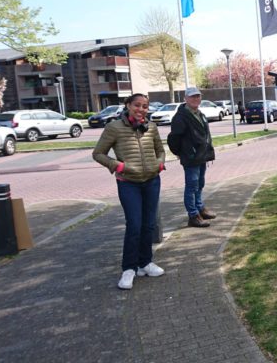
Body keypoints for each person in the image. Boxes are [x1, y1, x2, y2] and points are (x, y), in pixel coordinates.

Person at [92, 93, 166, 290]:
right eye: (137, 105)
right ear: (128, 105)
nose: (141, 109)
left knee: (149, 225)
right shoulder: (114, 127)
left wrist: (159, 164)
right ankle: (129, 268)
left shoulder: (151, 127)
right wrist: (118, 166)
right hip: (128, 183)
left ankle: (145, 263)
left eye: (145, 106)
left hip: (151, 181)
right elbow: (98, 153)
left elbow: (160, 150)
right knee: (134, 225)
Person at [168, 87, 217, 228]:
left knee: (200, 183)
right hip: (191, 157)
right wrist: (181, 152)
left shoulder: (200, 114)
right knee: (192, 186)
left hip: (201, 156)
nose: (196, 99)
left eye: (198, 96)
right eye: (192, 96)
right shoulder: (180, 117)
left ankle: (200, 208)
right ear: (185, 98)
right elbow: (174, 138)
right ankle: (193, 215)